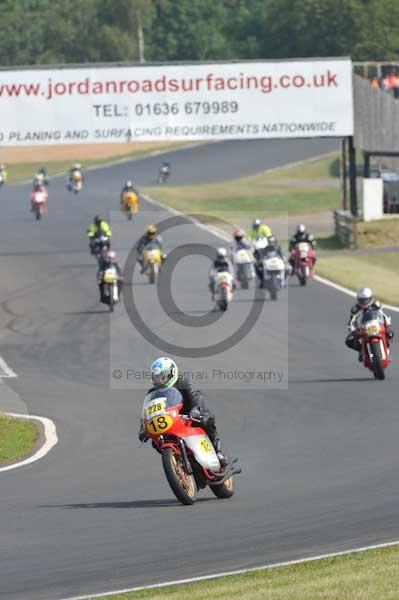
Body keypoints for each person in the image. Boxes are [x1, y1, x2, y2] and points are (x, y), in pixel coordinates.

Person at [138, 357, 228, 466]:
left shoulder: (182, 382)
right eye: (156, 378)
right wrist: (143, 428)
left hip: (189, 414)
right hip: (170, 420)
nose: (159, 381)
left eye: (162, 377)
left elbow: (195, 396)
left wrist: (196, 409)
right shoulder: (152, 392)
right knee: (155, 441)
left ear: (172, 373)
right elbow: (149, 410)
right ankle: (177, 464)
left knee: (206, 419)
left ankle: (217, 450)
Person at [345, 287, 394, 361]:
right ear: (358, 300)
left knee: (390, 333)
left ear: (370, 298)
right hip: (363, 328)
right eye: (362, 300)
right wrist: (353, 331)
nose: (364, 302)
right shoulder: (355, 309)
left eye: (366, 300)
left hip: (377, 324)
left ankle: (386, 347)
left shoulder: (376, 304)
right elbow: (351, 322)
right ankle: (361, 350)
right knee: (349, 341)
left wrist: (387, 324)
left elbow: (383, 314)